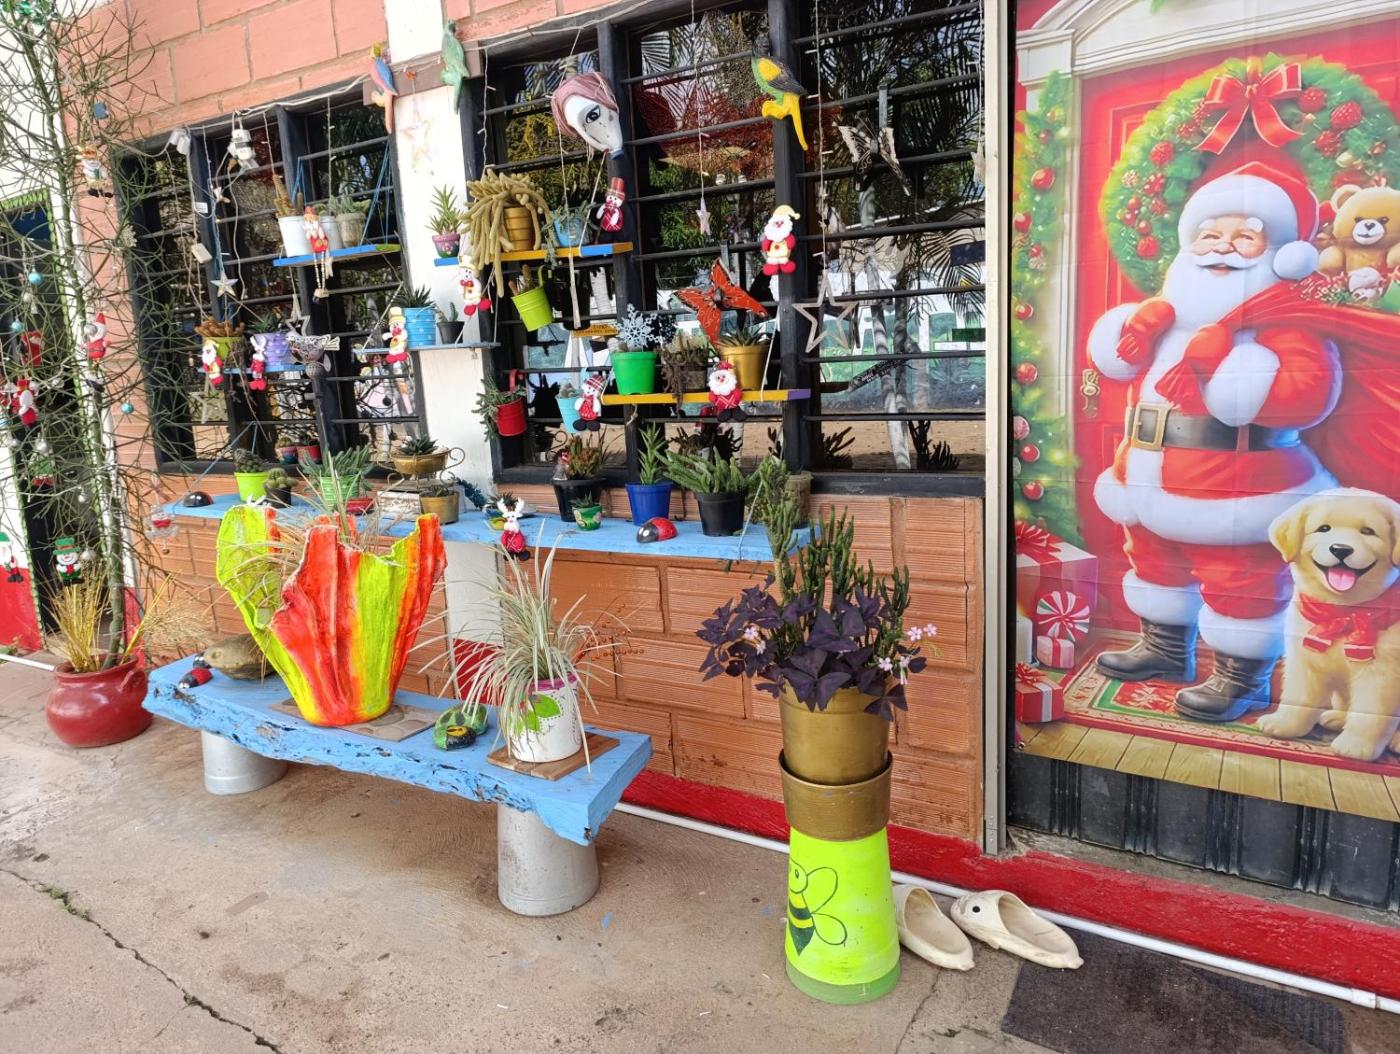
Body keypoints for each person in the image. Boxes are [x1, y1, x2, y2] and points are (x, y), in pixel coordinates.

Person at [1089, 160, 1339, 721]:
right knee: (1154, 563)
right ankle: (1164, 648)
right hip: (1147, 474)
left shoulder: (1285, 323)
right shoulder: (1162, 320)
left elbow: (1306, 394)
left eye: (1245, 236)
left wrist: (1240, 376)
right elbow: (1121, 369)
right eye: (1210, 234)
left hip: (1238, 488)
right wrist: (1131, 332)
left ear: (1280, 253)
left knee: (1240, 581)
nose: (1223, 246)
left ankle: (1241, 677)